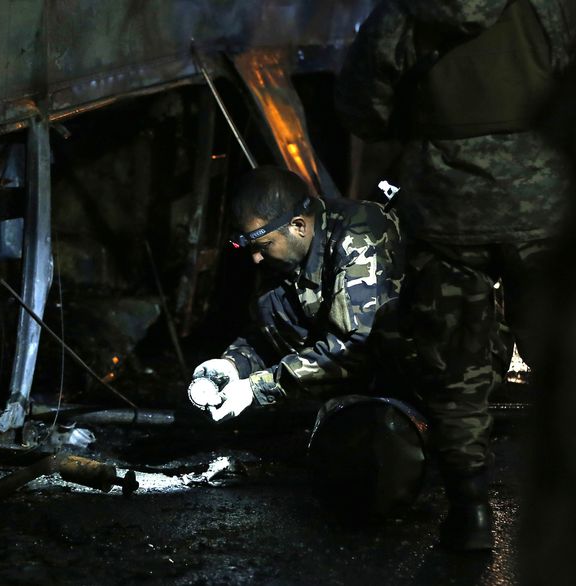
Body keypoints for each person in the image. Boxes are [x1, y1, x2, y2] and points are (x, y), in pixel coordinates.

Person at [334, 0, 575, 551]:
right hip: (543, 203)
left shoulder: (406, 11)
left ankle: (471, 510)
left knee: (456, 358)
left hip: (445, 209)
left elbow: (362, 108)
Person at [188, 165, 406, 432]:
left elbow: (355, 349)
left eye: (262, 246)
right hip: (346, 401)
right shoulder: (281, 258)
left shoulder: (360, 236)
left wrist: (257, 388)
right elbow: (272, 334)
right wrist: (234, 364)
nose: (255, 258)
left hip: (408, 388)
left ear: (298, 226)